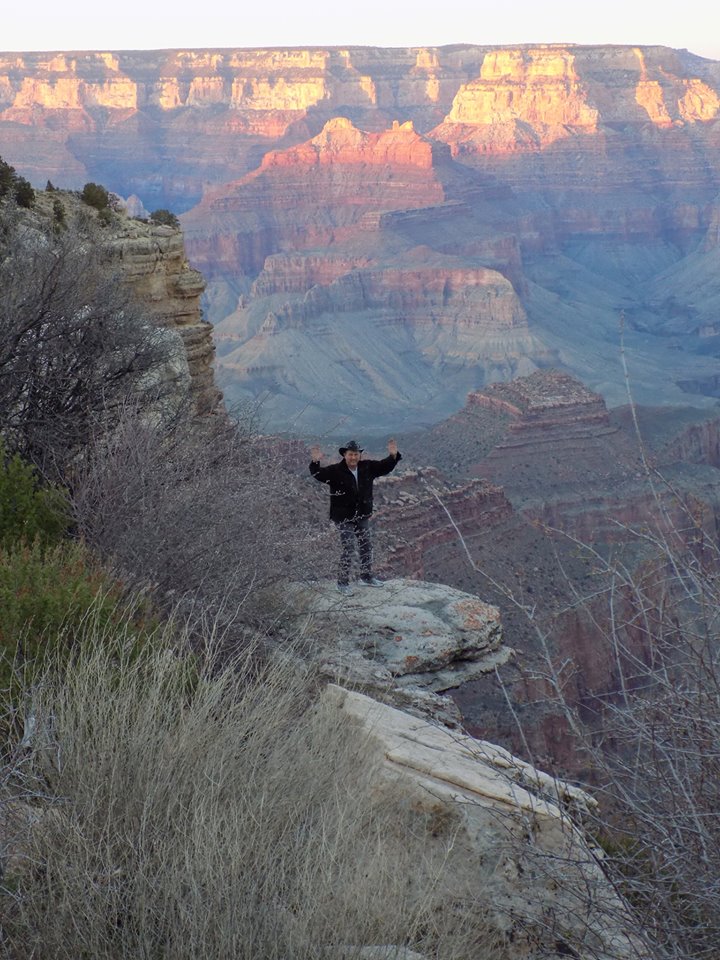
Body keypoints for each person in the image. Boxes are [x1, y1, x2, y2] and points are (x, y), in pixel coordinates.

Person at [309, 438, 402, 594]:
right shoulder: (335, 471)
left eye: (356, 454)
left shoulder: (368, 467)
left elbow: (384, 467)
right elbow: (319, 474)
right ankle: (342, 583)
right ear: (344, 455)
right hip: (343, 516)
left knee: (366, 545)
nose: (353, 457)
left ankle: (366, 577)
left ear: (360, 455)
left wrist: (393, 456)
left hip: (362, 515)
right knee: (349, 547)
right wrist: (315, 462)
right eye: (350, 454)